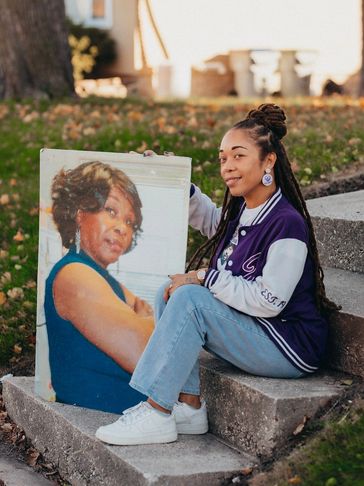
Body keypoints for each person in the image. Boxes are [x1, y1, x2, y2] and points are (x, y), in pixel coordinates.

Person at [95, 103, 339, 445]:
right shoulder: (244, 209)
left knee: (191, 298)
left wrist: (203, 277)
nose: (228, 167)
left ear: (268, 161)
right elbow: (215, 224)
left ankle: (156, 411)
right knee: (169, 291)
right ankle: (190, 407)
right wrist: (178, 182)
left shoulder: (287, 223)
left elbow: (269, 301)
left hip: (287, 345)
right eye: (223, 158)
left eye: (238, 156)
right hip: (258, 329)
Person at [44, 161, 154, 413]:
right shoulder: (75, 273)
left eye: (129, 221)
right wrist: (150, 320)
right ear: (79, 213)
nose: (122, 228)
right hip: (98, 419)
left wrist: (148, 321)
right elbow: (146, 354)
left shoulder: (104, 278)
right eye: (111, 211)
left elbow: (152, 326)